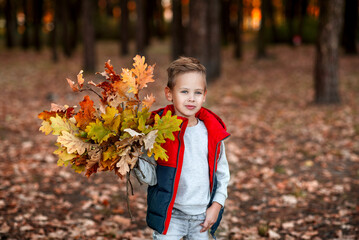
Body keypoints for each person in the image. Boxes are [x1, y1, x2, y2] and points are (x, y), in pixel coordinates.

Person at [134, 57, 230, 240]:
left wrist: (216, 205)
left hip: (202, 215)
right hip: (171, 215)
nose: (191, 98)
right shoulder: (158, 131)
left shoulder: (212, 133)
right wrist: (133, 159)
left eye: (197, 92)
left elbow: (222, 173)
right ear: (169, 94)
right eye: (184, 91)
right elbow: (150, 176)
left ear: (205, 95)